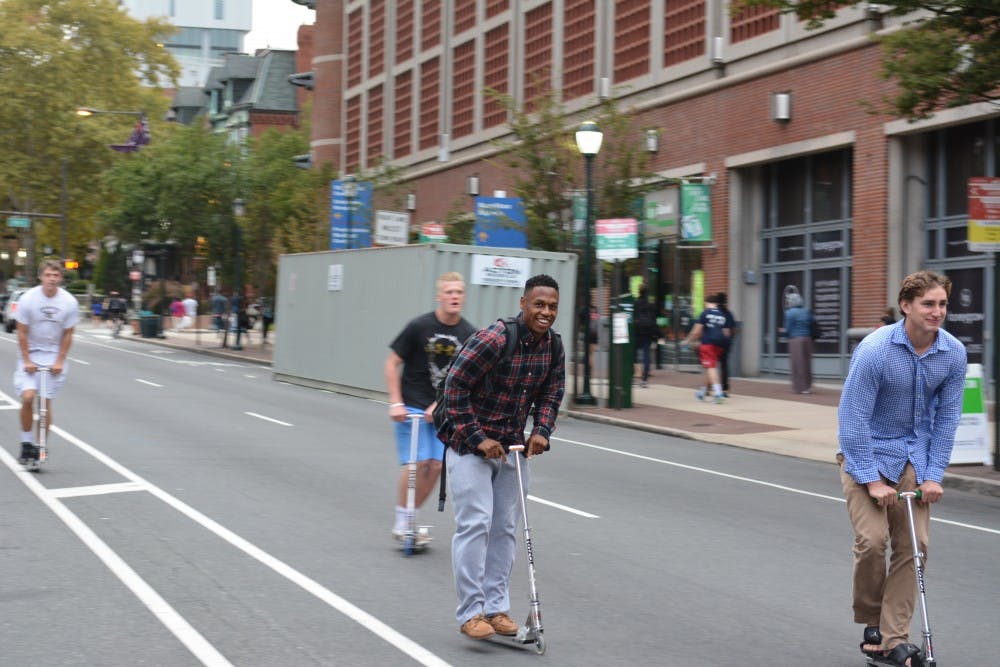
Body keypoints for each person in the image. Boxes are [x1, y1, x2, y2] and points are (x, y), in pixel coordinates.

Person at [837, 270, 966, 667]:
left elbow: (946, 420)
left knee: (915, 546)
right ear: (906, 306)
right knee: (873, 542)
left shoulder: (953, 353)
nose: (937, 311)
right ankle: (873, 620)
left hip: (915, 457)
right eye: (928, 303)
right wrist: (872, 480)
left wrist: (933, 476)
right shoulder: (875, 351)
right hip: (866, 455)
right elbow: (852, 417)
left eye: (942, 303)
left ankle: (894, 640)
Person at [437, 274, 565, 641]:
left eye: (552, 306)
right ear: (523, 303)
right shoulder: (495, 338)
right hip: (469, 443)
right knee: (475, 524)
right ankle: (471, 613)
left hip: (511, 446)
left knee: (505, 528)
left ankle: (496, 609)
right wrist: (478, 439)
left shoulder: (553, 347)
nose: (545, 312)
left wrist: (541, 430)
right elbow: (455, 386)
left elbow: (553, 393)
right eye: (539, 304)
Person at [384, 272, 476, 543]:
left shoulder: (469, 334)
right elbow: (391, 363)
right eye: (449, 292)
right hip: (410, 406)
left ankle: (409, 519)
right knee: (417, 464)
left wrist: (440, 404)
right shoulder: (419, 326)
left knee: (436, 465)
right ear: (440, 296)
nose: (454, 296)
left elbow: (466, 378)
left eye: (459, 292)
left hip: (442, 411)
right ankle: (402, 521)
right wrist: (395, 401)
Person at [14, 260, 79, 463]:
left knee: (44, 402)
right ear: (41, 276)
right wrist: (26, 359)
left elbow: (68, 334)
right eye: (49, 275)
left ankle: (42, 444)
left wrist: (59, 361)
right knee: (27, 397)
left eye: (56, 275)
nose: (52, 279)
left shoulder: (69, 302)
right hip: (31, 353)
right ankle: (26, 443)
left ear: (60, 278)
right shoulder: (28, 299)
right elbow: (22, 332)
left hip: (53, 355)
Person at [681, 294, 730, 404]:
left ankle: (718, 393)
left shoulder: (705, 313)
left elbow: (696, 331)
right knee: (710, 367)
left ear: (707, 303)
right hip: (720, 345)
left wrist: (687, 341)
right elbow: (726, 333)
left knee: (711, 367)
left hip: (708, 344)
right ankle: (702, 392)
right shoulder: (723, 315)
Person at [783, 292, 814, 394]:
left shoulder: (789, 313)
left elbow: (788, 328)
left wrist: (784, 333)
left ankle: (800, 387)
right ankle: (808, 385)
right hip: (807, 339)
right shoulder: (806, 311)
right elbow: (811, 322)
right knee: (806, 363)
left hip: (795, 339)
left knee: (797, 363)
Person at [632, 285, 659, 388]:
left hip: (636, 331)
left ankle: (633, 377)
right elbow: (654, 319)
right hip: (648, 332)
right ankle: (645, 381)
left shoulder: (635, 303)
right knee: (646, 355)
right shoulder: (651, 305)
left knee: (632, 355)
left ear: (639, 291)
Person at [714, 292, 738, 397]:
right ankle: (725, 388)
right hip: (726, 342)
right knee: (724, 365)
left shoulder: (714, 312)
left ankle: (712, 387)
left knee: (712, 365)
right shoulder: (729, 313)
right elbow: (734, 329)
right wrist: (731, 339)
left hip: (714, 341)